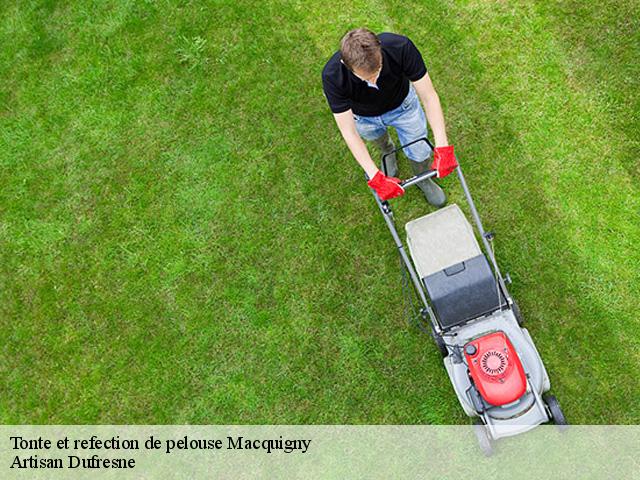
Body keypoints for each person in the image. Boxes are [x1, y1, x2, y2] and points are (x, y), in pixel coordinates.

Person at [321, 28, 458, 205]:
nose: (373, 81)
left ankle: (423, 179)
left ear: (380, 48)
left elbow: (429, 96)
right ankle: (388, 151)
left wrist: (442, 145)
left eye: (377, 71)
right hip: (364, 117)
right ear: (345, 64)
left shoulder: (401, 47)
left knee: (420, 150)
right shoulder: (332, 76)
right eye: (366, 78)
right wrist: (374, 176)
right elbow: (349, 132)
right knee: (376, 138)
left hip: (404, 107)